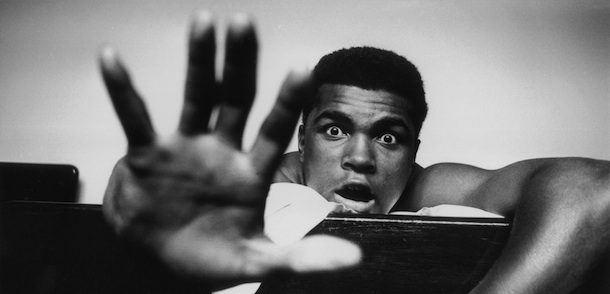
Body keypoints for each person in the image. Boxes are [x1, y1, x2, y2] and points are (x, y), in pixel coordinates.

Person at [100, 11, 610, 293]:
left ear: (414, 151)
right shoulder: (254, 180)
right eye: (335, 130)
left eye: (389, 137)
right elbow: (140, 185)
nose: (361, 158)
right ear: (302, 138)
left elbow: (593, 188)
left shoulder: (424, 186)